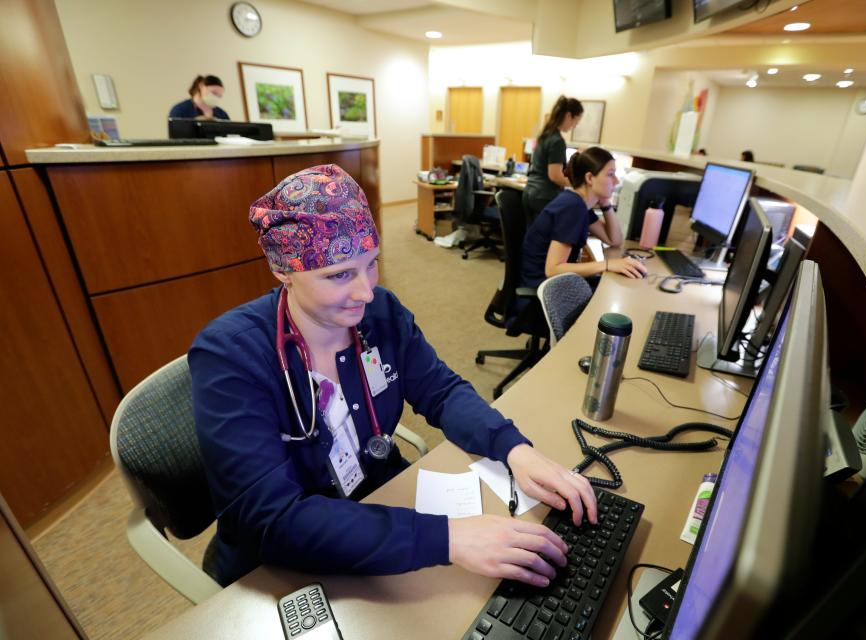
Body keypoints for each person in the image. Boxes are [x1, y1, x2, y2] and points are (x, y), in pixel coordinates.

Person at [189, 164, 597, 588]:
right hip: (282, 564)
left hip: (379, 506)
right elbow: (270, 519)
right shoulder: (230, 356)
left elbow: (440, 391)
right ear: (283, 271)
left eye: (371, 264)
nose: (365, 292)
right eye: (339, 274)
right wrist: (448, 538)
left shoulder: (380, 313)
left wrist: (514, 450)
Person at [519, 146, 647, 292]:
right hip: (543, 291)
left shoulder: (579, 203)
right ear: (590, 178)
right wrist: (607, 264)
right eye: (610, 174)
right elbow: (553, 269)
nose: (616, 181)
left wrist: (605, 203)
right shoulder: (573, 207)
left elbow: (614, 240)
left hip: (550, 284)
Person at [522, 96, 584, 221]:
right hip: (544, 196)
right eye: (576, 121)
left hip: (530, 193)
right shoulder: (557, 141)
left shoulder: (545, 135)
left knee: (532, 235)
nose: (575, 126)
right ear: (568, 116)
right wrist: (576, 184)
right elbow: (555, 176)